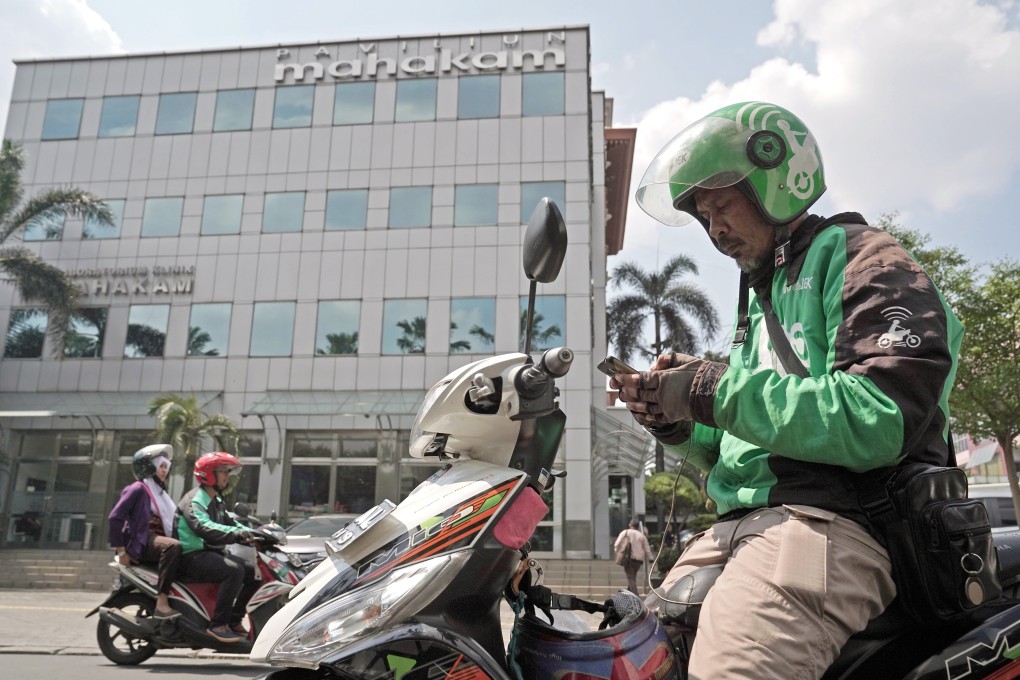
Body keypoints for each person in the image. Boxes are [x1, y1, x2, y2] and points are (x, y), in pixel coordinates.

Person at [614, 101, 963, 679]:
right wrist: (676, 419)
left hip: (832, 523)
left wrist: (707, 387)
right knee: (621, 661)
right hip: (735, 528)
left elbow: (880, 417)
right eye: (704, 215)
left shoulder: (863, 257)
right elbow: (749, 442)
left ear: (772, 179)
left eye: (722, 204)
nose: (716, 228)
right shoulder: (760, 292)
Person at [176, 451, 256, 644]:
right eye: (223, 472)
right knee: (234, 571)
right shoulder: (196, 499)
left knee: (252, 572)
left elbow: (231, 523)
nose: (226, 476)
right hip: (191, 556)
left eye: (228, 472)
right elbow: (203, 525)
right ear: (209, 474)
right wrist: (235, 534)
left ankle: (234, 620)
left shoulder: (216, 500)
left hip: (208, 553)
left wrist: (257, 533)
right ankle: (218, 625)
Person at [107, 444, 183, 619]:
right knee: (173, 547)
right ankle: (162, 603)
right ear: (149, 467)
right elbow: (115, 517)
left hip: (156, 540)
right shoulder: (138, 488)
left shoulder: (162, 494)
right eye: (160, 466)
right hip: (143, 541)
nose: (164, 471)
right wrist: (121, 551)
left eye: (166, 467)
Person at [614, 519, 653, 595]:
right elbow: (647, 549)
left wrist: (618, 552)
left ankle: (635, 596)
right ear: (638, 526)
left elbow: (616, 544)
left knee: (631, 578)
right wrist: (651, 559)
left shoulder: (625, 532)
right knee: (632, 577)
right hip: (638, 561)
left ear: (630, 525)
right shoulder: (641, 536)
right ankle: (629, 594)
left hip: (628, 559)